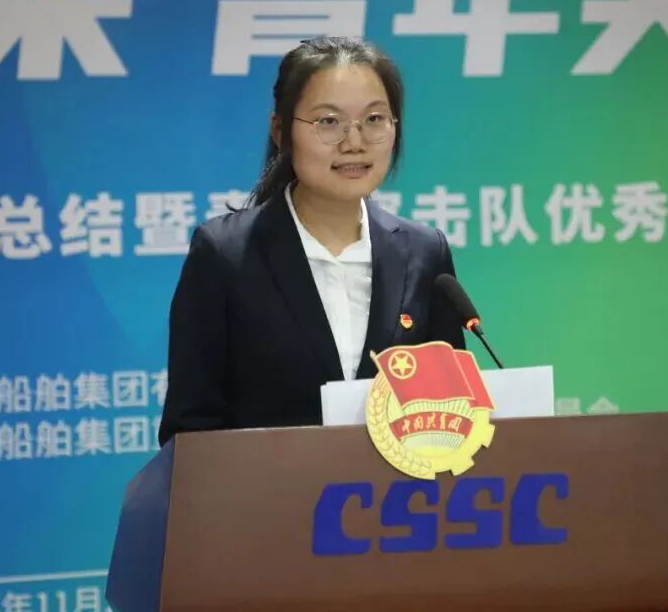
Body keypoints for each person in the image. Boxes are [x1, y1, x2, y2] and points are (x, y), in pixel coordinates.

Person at [158, 36, 466, 444]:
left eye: (374, 119)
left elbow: (452, 415)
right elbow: (190, 433)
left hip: (401, 487)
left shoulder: (425, 253)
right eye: (328, 122)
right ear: (281, 130)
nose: (354, 142)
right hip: (268, 486)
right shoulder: (225, 255)